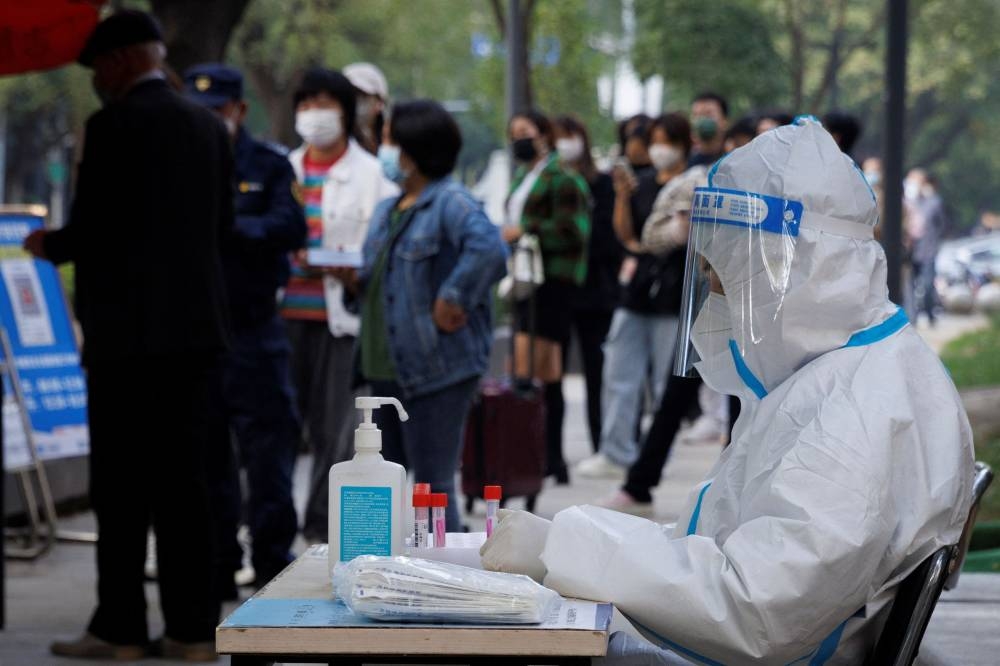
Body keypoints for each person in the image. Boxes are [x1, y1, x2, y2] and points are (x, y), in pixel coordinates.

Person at [481, 118, 974, 665]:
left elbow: (755, 608)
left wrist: (561, 548)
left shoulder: (856, 409)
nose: (715, 289)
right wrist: (577, 543)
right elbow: (728, 544)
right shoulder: (852, 369)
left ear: (801, 268)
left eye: (728, 268)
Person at [24, 11, 232, 661]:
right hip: (195, 340)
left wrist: (46, 244)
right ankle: (193, 631)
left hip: (125, 344)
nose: (95, 81)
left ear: (118, 62)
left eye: (96, 69)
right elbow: (220, 228)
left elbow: (94, 230)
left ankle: (121, 629)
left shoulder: (111, 128)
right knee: (186, 488)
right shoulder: (209, 127)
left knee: (121, 489)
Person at [334, 99, 507, 530]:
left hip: (436, 368)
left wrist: (453, 298)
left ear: (413, 150)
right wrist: (353, 281)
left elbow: (490, 249)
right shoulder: (387, 210)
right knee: (384, 487)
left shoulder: (450, 202)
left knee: (431, 487)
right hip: (383, 366)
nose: (383, 147)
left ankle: (440, 583)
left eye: (390, 139)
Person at [183, 63, 307, 596]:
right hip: (200, 336)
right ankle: (216, 563)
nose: (208, 121)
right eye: (199, 112)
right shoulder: (178, 162)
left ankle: (273, 563)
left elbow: (291, 226)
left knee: (268, 458)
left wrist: (232, 230)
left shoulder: (269, 165)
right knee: (208, 457)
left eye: (217, 112)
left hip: (255, 332)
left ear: (238, 112)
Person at [281, 68, 398, 542]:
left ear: (348, 113)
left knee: (337, 432)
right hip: (283, 317)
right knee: (277, 430)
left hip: (341, 322)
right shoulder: (282, 169)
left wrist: (352, 269)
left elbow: (382, 253)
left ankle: (318, 532)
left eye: (325, 104)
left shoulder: (373, 177)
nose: (315, 115)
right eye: (306, 104)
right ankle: (266, 531)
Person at [576, 114, 698, 479]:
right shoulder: (644, 183)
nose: (658, 148)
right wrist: (622, 197)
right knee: (619, 372)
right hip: (636, 292)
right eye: (654, 140)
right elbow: (628, 238)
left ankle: (657, 451)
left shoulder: (692, 185)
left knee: (666, 382)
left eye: (666, 140)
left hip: (672, 293)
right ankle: (615, 450)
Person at [501, 110, 591, 483]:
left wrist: (526, 229)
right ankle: (537, 452)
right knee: (526, 366)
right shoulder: (525, 176)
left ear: (543, 135)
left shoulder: (562, 179)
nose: (519, 139)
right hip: (525, 279)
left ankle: (551, 455)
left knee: (545, 368)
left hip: (552, 281)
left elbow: (574, 231)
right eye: (514, 134)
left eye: (525, 132)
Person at [553, 115, 623, 454]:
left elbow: (609, 240)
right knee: (551, 378)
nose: (566, 143)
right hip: (557, 292)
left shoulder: (602, 185)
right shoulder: (548, 184)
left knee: (598, 375)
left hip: (596, 293)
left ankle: (601, 446)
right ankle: (552, 456)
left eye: (571, 135)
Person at [904, 168, 948, 327]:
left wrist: (935, 243)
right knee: (908, 288)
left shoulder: (934, 202)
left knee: (928, 285)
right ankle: (911, 319)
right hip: (908, 253)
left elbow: (942, 226)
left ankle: (930, 313)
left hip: (927, 251)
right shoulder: (904, 201)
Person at [344, 61, 389, 154]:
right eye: (348, 95)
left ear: (379, 102)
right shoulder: (332, 143)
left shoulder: (390, 143)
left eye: (362, 96)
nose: (354, 102)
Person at [688, 92, 729, 167]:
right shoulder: (684, 162)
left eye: (708, 114)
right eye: (696, 115)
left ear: (724, 121)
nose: (701, 120)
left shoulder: (734, 160)